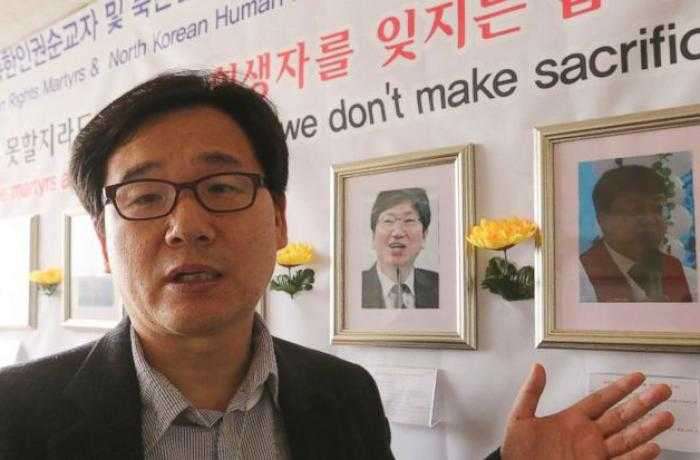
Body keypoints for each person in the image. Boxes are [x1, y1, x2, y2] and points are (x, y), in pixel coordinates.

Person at [0, 71, 674, 460]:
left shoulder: (343, 395)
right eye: (146, 197)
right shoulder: (16, 415)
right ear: (104, 238)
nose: (187, 225)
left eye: (222, 187)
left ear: (278, 219)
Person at [580, 164, 692, 303]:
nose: (650, 219)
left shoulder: (674, 268)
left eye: (657, 208)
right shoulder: (581, 275)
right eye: (635, 210)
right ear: (602, 220)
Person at [362, 188, 439, 309]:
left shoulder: (439, 285)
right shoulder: (354, 286)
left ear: (424, 236)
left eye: (409, 220)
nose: (397, 232)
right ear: (373, 236)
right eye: (388, 221)